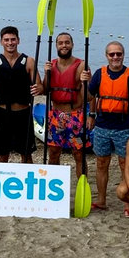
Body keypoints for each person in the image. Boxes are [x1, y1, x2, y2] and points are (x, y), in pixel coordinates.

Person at [86, 41, 129, 215]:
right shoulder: (99, 74)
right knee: (101, 163)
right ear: (106, 56)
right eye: (112, 54)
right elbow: (90, 96)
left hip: (124, 128)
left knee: (124, 164)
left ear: (123, 55)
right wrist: (84, 83)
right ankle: (102, 200)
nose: (115, 57)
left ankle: (127, 204)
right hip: (103, 126)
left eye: (118, 54)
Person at [0, 26, 42, 163]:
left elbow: (40, 86)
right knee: (3, 155)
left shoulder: (29, 61)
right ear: (1, 42)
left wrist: (39, 88)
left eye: (13, 39)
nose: (10, 43)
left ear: (18, 41)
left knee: (26, 154)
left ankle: (28, 183)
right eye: (6, 40)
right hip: (3, 114)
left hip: (24, 114)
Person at [41, 32, 88, 172]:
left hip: (76, 115)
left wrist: (86, 82)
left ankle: (82, 184)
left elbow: (89, 96)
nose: (64, 45)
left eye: (67, 42)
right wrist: (46, 74)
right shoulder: (51, 65)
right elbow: (45, 90)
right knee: (53, 154)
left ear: (72, 44)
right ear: (56, 45)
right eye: (60, 43)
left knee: (79, 154)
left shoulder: (81, 65)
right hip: (55, 115)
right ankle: (53, 185)